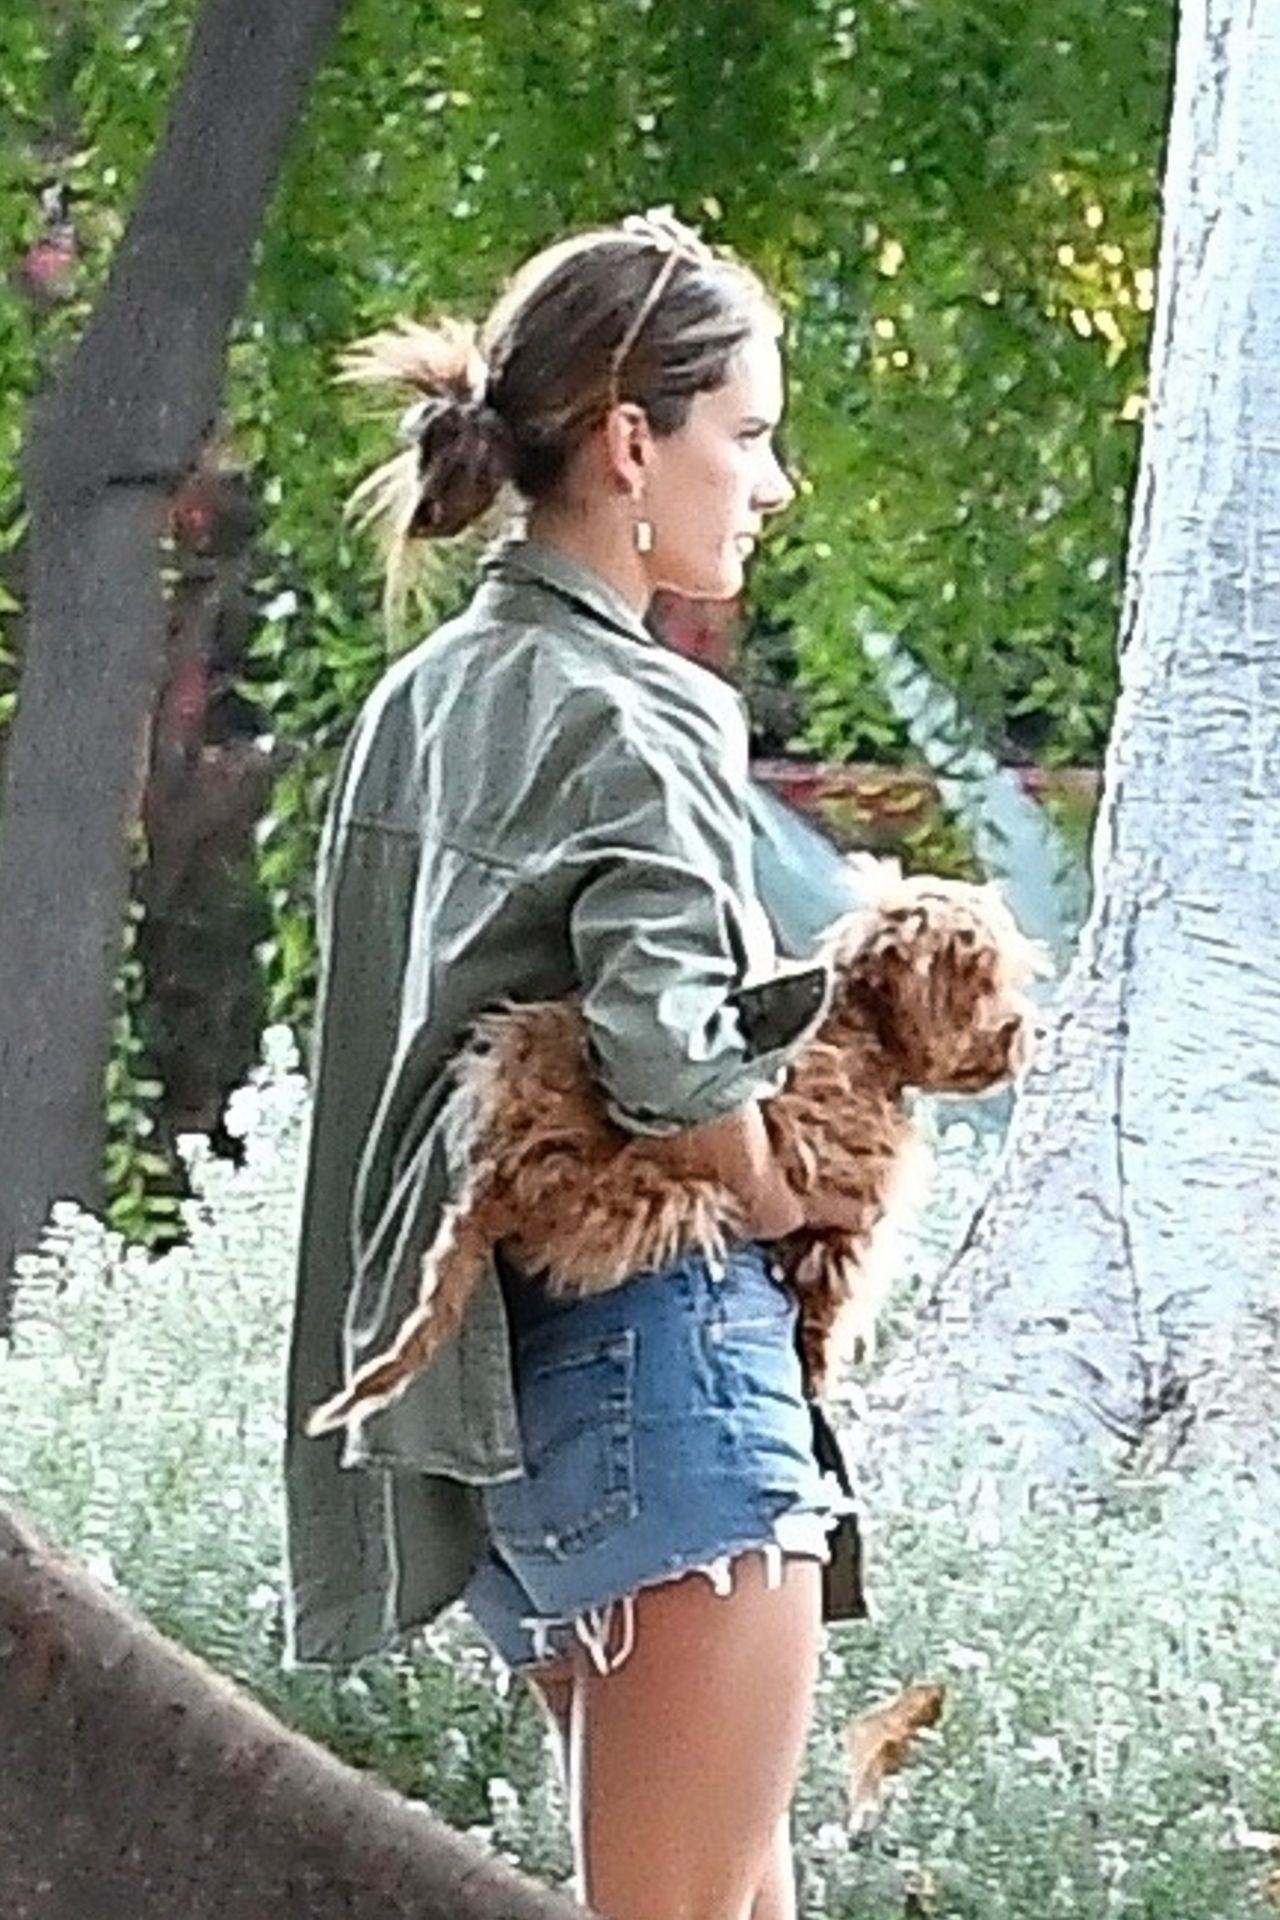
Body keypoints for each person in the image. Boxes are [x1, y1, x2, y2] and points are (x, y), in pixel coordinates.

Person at [284, 210, 866, 1920]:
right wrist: (783, 1201)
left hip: (504, 1402)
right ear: (630, 443)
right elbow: (671, 1054)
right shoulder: (643, 705)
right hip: (662, 1378)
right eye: (747, 434)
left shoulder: (421, 700)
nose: (771, 485)